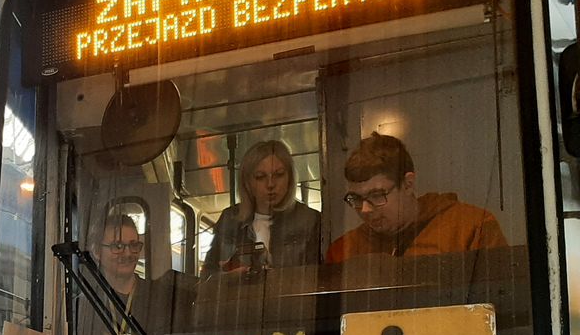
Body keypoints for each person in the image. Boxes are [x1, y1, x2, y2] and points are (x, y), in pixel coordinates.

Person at [327, 132, 508, 262]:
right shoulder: (343, 251)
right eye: (356, 199)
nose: (365, 209)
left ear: (408, 184)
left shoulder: (471, 228)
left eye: (376, 195)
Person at [72, 211, 184, 335]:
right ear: (97, 251)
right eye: (118, 246)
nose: (128, 253)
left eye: (134, 245)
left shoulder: (160, 300)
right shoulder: (83, 306)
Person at [202, 139, 321, 276]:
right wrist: (227, 278)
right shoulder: (230, 220)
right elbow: (208, 276)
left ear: (290, 178)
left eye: (279, 175)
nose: (270, 184)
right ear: (247, 182)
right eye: (260, 177)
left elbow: (320, 276)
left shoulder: (309, 220)